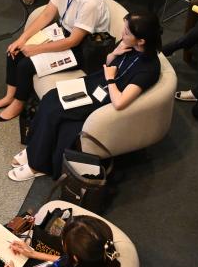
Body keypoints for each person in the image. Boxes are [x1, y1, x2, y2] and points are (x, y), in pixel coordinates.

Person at [9, 10, 162, 181]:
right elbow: (108, 63)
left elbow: (120, 102)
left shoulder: (149, 69)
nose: (122, 33)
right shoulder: (128, 44)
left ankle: (37, 165)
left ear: (141, 41)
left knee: (54, 111)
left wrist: (110, 79)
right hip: (95, 84)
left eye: (126, 32)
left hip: (103, 99)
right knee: (50, 97)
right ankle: (34, 148)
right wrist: (115, 53)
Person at [0, 0, 110, 122]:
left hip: (83, 47)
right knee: (14, 51)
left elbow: (73, 41)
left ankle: (18, 103)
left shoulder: (91, 2)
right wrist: (22, 39)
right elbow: (47, 14)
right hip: (63, 32)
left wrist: (36, 49)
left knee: (25, 65)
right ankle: (10, 96)